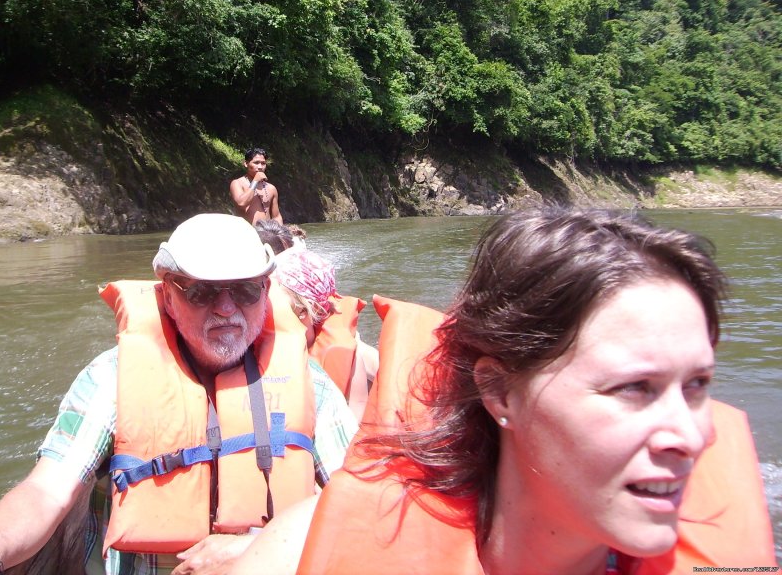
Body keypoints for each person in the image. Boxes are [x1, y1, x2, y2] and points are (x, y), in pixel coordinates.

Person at [231, 207, 777, 575]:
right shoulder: (303, 553)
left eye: (698, 385)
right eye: (634, 388)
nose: (695, 435)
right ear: (499, 392)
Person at [0, 213, 356, 575]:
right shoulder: (110, 379)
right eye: (202, 291)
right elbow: (46, 490)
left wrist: (258, 548)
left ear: (266, 293)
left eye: (245, 290)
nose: (227, 308)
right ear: (168, 296)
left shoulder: (311, 384)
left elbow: (359, 501)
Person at [273, 248, 379, 422]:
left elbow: (357, 413)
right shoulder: (263, 344)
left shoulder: (350, 354)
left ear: (306, 310)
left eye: (275, 297)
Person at [230, 148, 282, 225]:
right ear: (246, 163)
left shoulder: (271, 188)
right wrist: (255, 181)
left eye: (263, 163)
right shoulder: (237, 183)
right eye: (256, 163)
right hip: (246, 233)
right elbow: (241, 203)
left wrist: (280, 234)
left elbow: (276, 216)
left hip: (266, 233)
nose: (260, 167)